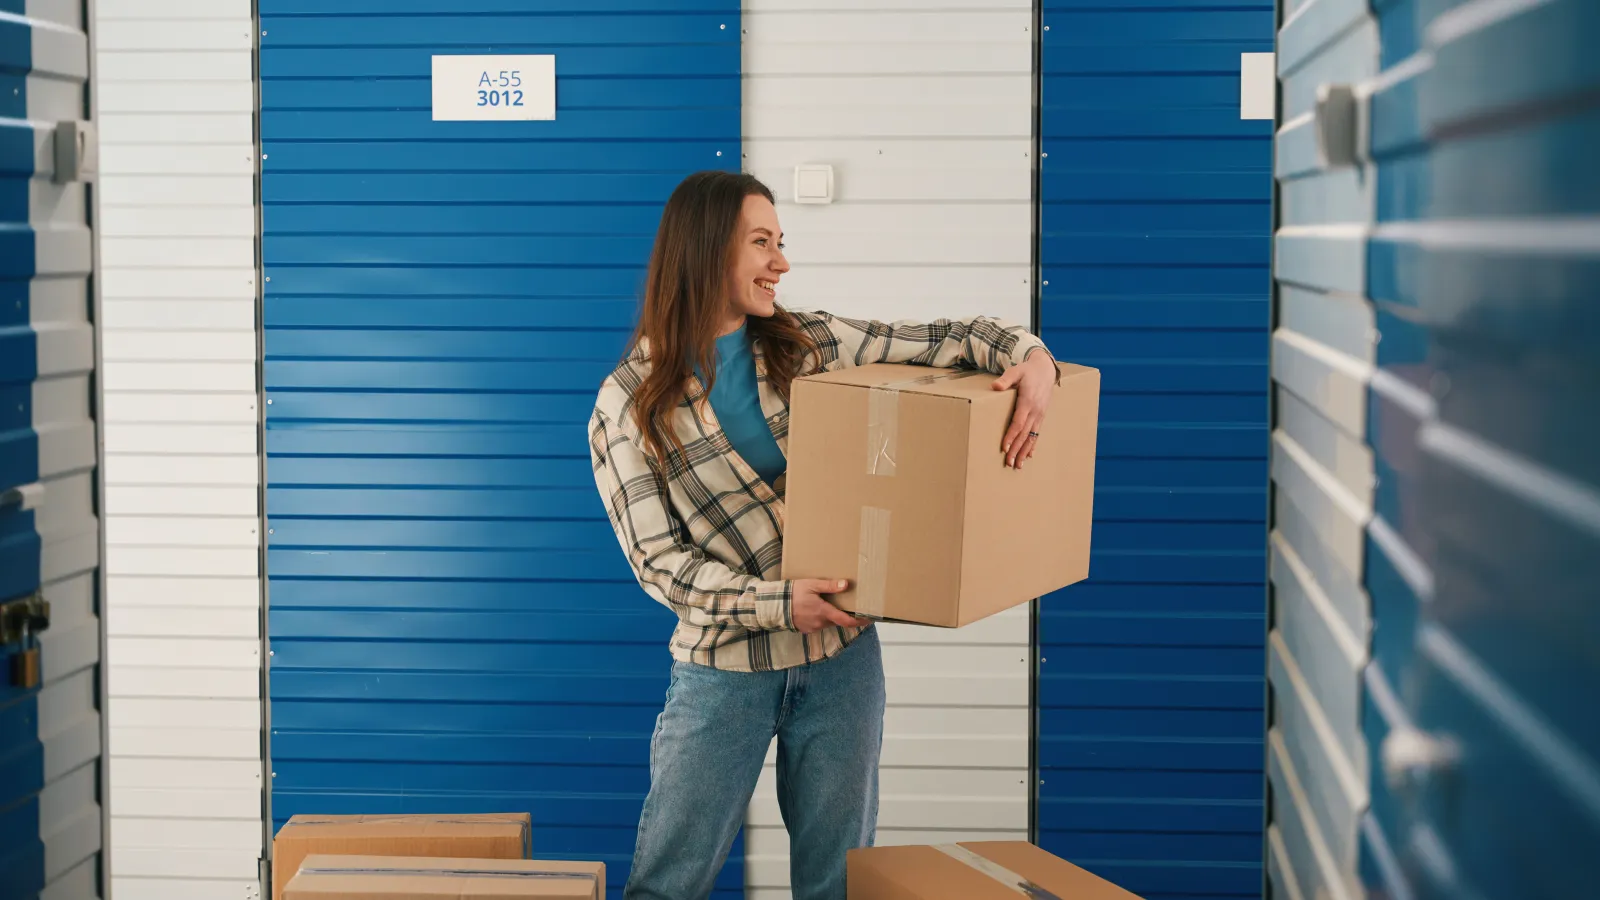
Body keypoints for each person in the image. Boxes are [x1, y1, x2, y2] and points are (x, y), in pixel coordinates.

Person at [587, 170, 1061, 900]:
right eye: (762, 243)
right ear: (706, 249)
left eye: (782, 242)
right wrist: (780, 603)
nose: (781, 262)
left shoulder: (806, 343)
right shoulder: (629, 401)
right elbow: (660, 566)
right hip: (725, 673)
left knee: (835, 887)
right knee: (667, 886)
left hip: (841, 661)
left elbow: (949, 341)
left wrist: (1032, 359)